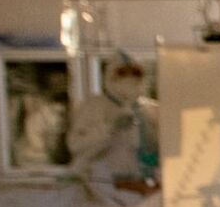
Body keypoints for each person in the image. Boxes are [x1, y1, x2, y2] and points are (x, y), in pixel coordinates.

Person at [68, 58, 158, 193]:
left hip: (140, 183)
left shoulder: (150, 110)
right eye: (122, 74)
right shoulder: (93, 106)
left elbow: (158, 149)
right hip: (100, 183)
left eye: (135, 74)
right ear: (110, 76)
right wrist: (109, 127)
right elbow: (75, 144)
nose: (129, 79)